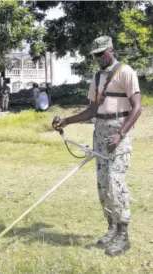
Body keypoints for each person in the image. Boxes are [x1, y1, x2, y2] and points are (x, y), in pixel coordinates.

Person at [52, 36, 142, 257]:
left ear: (111, 50)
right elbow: (91, 110)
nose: (99, 57)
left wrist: (121, 134)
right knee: (102, 186)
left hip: (118, 133)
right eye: (95, 55)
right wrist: (66, 121)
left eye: (102, 53)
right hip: (99, 133)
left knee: (115, 181)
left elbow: (137, 108)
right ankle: (111, 228)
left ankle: (123, 234)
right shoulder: (97, 77)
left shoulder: (126, 72)